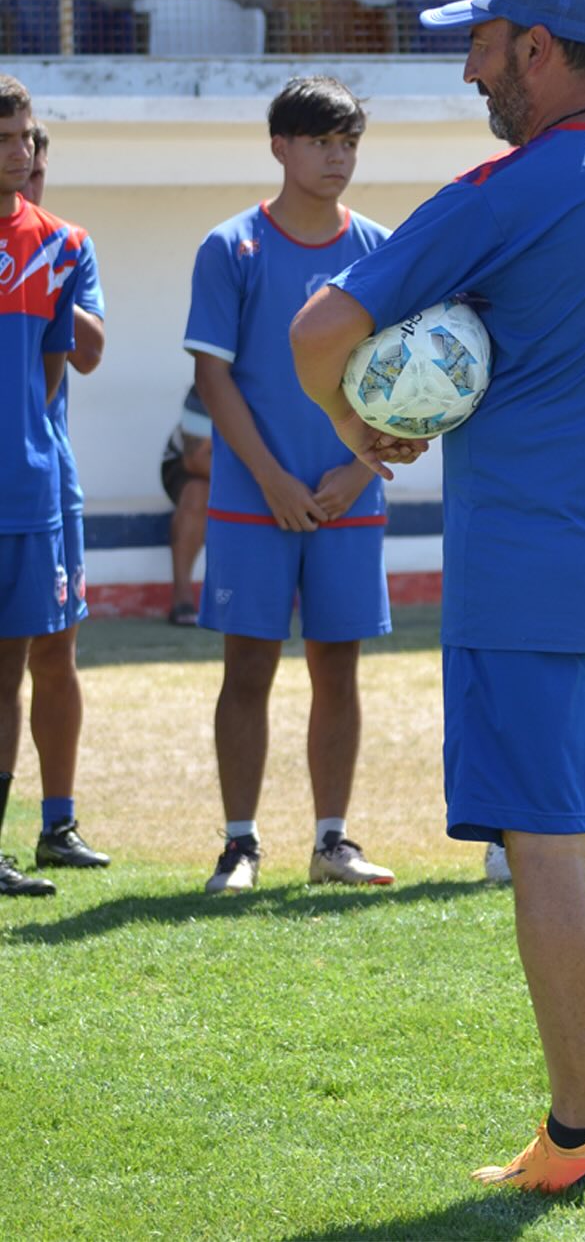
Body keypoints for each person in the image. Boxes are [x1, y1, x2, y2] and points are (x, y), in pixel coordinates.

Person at [291, 0, 585, 1194]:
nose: (471, 64)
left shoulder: (509, 189)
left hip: (530, 568)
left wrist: (351, 427)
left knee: (545, 850)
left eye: (480, 42)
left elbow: (320, 330)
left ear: (536, 50)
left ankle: (579, 1142)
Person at [185, 75, 395, 895]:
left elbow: (407, 380)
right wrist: (272, 479)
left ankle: (331, 842)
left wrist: (358, 468)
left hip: (350, 495)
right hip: (250, 499)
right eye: (320, 141)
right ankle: (240, 846)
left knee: (337, 670)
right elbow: (215, 380)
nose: (337, 157)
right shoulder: (230, 245)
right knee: (248, 671)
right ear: (281, 146)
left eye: (348, 143)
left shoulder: (379, 248)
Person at [0, 78, 95, 897]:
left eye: (27, 138)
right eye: (8, 139)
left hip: (32, 489)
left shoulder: (61, 245)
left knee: (36, 661)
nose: (21, 153)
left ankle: (53, 822)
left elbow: (57, 370)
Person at [22, 123, 112, 875]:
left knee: (57, 655)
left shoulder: (63, 249)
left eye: (37, 169)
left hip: (49, 482)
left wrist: (45, 268)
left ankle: (59, 823)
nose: (25, 179)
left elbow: (87, 353)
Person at [160, 383, 212, 626]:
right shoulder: (208, 380)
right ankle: (182, 595)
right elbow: (196, 460)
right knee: (197, 493)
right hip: (189, 466)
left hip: (259, 470)